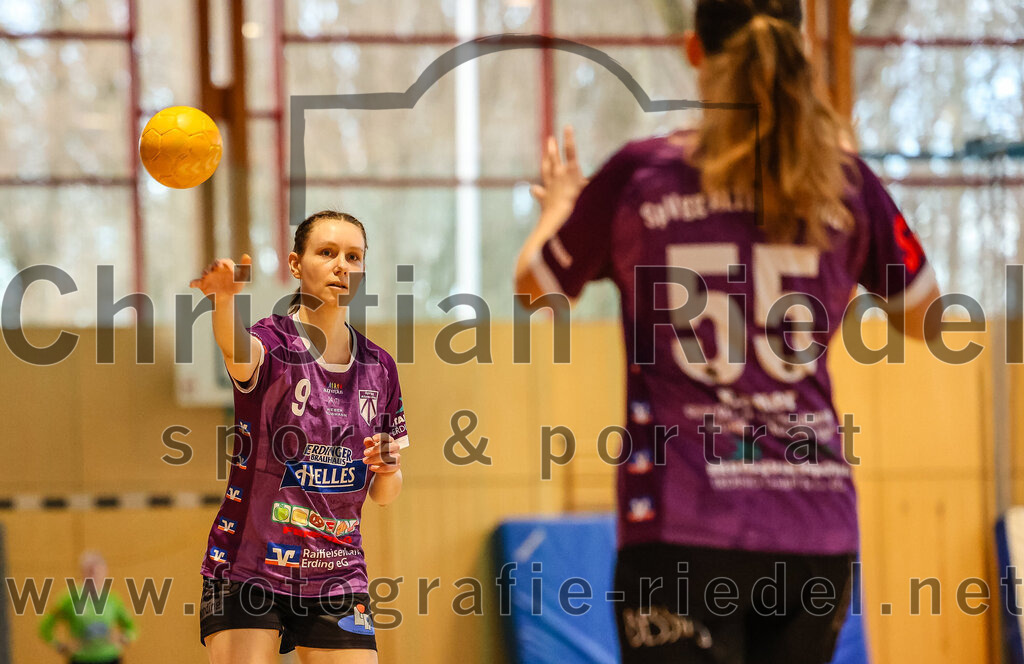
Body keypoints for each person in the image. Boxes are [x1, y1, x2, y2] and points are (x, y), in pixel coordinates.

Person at [514, 1, 941, 662]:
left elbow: (535, 289)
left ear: (695, 50)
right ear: (800, 49)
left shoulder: (642, 176)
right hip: (814, 530)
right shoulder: (844, 184)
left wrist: (561, 208)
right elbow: (927, 316)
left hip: (683, 526)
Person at [189, 210, 409, 664]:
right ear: (295, 264)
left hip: (337, 573)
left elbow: (384, 495)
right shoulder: (270, 342)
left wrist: (389, 469)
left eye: (354, 257)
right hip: (249, 567)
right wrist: (224, 301)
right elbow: (236, 348)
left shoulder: (380, 367)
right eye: (327, 252)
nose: (342, 266)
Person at [39, 551, 137, 664]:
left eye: (97, 572)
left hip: (110, 658)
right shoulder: (69, 599)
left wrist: (124, 638)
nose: (93, 577)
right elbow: (45, 626)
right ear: (82, 573)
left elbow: (132, 627)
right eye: (89, 572)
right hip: (81, 659)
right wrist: (59, 646)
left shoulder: (113, 600)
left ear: (105, 573)